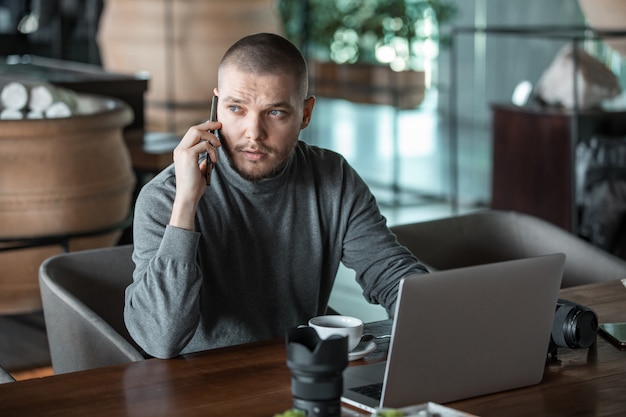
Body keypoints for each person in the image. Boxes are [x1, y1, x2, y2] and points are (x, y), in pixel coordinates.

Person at [125, 32, 427, 359]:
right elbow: (159, 340)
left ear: (305, 113)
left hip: (301, 373)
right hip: (198, 389)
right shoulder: (165, 196)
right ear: (216, 106)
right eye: (236, 108)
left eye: (275, 113)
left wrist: (429, 319)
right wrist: (186, 204)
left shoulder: (332, 178)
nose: (253, 133)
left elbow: (392, 276)